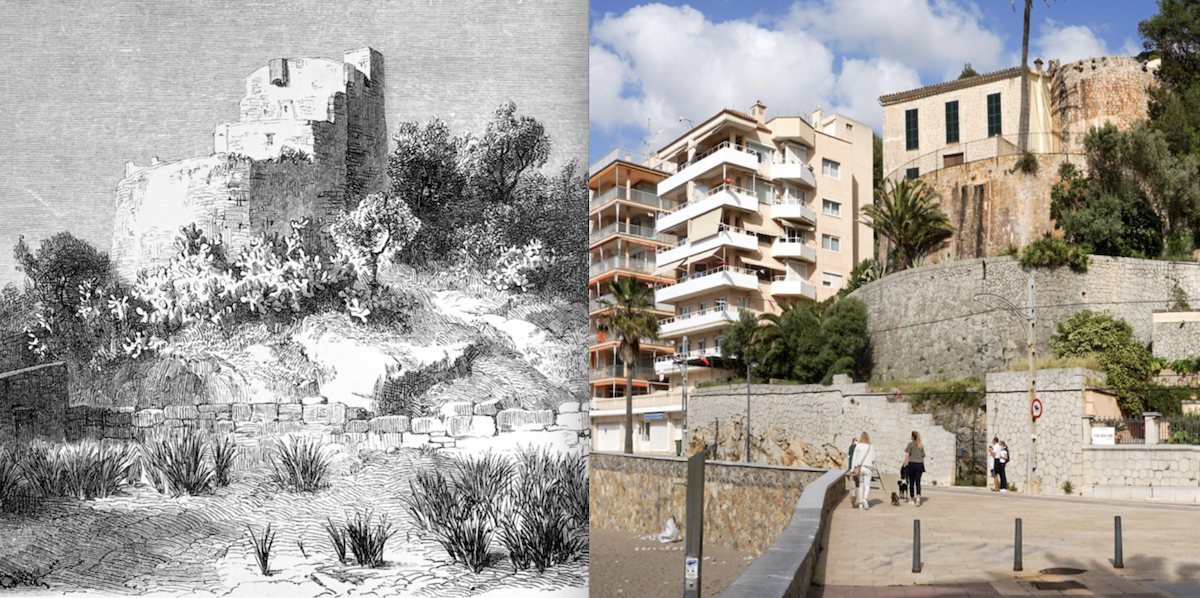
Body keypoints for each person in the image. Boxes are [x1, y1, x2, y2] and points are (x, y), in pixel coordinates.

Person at [850, 432, 875, 509]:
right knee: (867, 485)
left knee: (861, 485)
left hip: (860, 468)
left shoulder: (858, 446)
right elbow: (873, 459)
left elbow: (854, 457)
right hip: (868, 468)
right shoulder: (871, 446)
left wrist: (852, 468)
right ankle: (865, 499)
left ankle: (860, 503)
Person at [904, 431, 926, 506]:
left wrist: (904, 464)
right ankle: (918, 497)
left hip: (912, 464)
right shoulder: (921, 445)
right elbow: (923, 456)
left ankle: (912, 499)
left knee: (911, 482)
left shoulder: (910, 444)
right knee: (918, 482)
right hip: (919, 464)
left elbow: (907, 455)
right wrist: (922, 464)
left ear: (912, 437)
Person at [847, 437, 858, 504]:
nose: (856, 441)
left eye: (857, 440)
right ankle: (853, 493)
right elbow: (850, 456)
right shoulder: (851, 447)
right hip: (852, 463)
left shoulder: (857, 447)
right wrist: (850, 467)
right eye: (855, 440)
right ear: (853, 441)